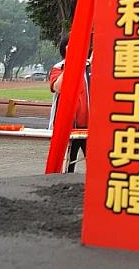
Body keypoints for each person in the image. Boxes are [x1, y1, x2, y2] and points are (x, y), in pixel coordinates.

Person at [49, 33, 89, 173]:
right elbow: (57, 87)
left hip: (88, 126)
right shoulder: (59, 67)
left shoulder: (88, 67)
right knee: (67, 163)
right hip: (66, 126)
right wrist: (71, 61)